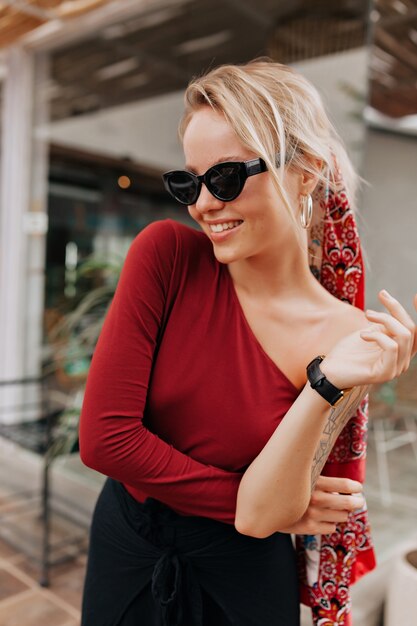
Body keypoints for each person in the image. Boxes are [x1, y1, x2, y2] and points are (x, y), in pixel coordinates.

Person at [79, 59, 417, 626]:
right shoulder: (166, 257)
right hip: (128, 545)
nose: (204, 203)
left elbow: (266, 516)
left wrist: (326, 383)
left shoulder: (348, 337)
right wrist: (247, 499)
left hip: (243, 577)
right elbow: (105, 440)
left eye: (227, 177)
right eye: (188, 181)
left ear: (305, 171)